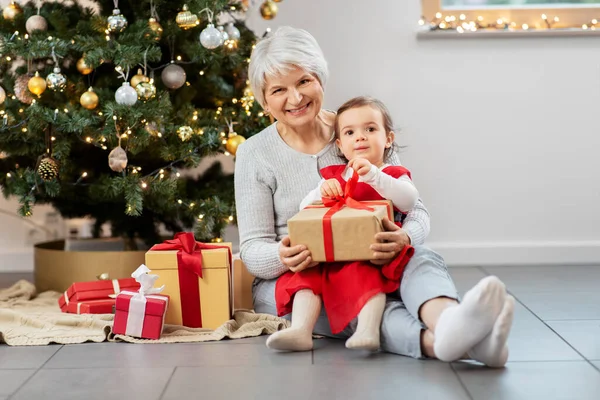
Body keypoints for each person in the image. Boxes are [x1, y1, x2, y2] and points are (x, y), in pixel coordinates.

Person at [234, 26, 515, 367]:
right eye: (279, 89)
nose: (295, 98)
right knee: (350, 302)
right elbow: (252, 249)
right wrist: (283, 254)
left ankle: (450, 321)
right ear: (264, 100)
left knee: (420, 257)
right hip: (299, 280)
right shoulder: (254, 153)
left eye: (304, 81)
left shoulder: (357, 127)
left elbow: (416, 209)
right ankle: (449, 343)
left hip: (371, 258)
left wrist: (404, 237)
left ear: (320, 80)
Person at [270, 96, 419, 352]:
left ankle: (367, 330)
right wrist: (321, 192)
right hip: (333, 252)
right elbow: (304, 209)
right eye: (350, 132)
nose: (360, 137)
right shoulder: (336, 175)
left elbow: (408, 200)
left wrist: (374, 176)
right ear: (340, 144)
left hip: (370, 252)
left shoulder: (392, 174)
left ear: (388, 139)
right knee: (306, 276)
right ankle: (300, 330)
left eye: (370, 129)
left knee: (367, 277)